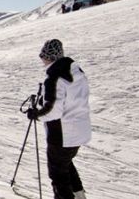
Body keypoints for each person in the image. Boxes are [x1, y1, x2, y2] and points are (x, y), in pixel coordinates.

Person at [25, 39, 91, 199]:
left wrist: (36, 114)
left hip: (62, 135)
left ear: (50, 57)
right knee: (65, 166)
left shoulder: (55, 78)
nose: (42, 59)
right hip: (79, 131)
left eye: (43, 56)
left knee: (58, 175)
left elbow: (53, 110)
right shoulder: (75, 72)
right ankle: (79, 195)